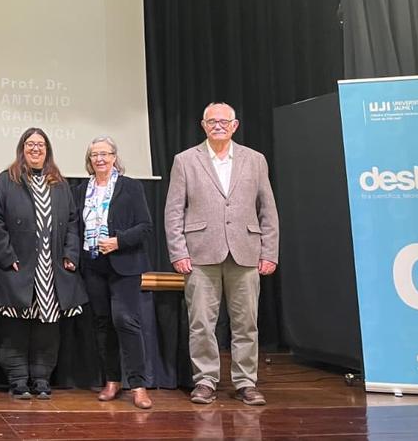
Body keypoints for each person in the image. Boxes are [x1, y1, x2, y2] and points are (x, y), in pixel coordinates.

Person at [165, 102, 280, 406]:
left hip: (246, 253)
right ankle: (205, 380)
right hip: (200, 254)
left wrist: (270, 251)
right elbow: (174, 211)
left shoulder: (255, 160)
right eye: (211, 121)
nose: (218, 125)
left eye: (223, 121)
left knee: (246, 323)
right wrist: (178, 251)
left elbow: (267, 209)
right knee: (202, 322)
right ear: (202, 126)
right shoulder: (185, 160)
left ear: (235, 125)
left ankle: (245, 382)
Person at [0, 128, 86, 400]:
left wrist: (70, 254)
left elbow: (74, 223)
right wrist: (7, 257)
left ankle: (41, 379)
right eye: (30, 144)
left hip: (51, 268)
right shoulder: (7, 181)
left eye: (40, 145)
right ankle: (18, 380)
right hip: (18, 267)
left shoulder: (60, 183)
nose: (35, 149)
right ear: (22, 148)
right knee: (13, 327)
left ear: (47, 149)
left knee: (47, 328)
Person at [69, 136, 153, 409]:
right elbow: (76, 227)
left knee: (126, 321)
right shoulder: (82, 189)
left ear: (115, 157)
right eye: (95, 155)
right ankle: (112, 381)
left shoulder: (130, 187)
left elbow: (145, 226)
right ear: (89, 160)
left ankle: (138, 385)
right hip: (93, 266)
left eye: (105, 154)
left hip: (124, 264)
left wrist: (118, 241)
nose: (100, 159)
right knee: (103, 324)